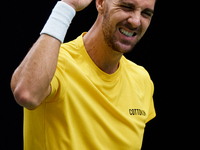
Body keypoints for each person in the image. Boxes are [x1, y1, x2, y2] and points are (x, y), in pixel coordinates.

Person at [11, 0, 156, 149]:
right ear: (100, 3)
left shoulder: (142, 79)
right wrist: (67, 6)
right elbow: (26, 93)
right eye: (126, 7)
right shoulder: (55, 63)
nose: (136, 21)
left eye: (146, 13)